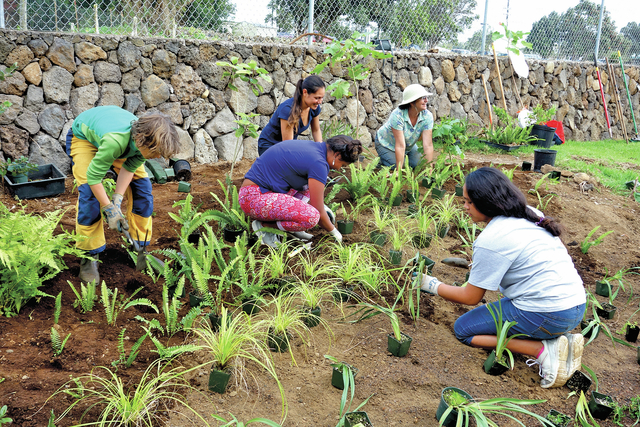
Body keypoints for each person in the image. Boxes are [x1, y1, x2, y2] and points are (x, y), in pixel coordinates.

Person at [417, 167, 586, 389]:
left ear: (486, 202)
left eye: (469, 202)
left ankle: (543, 349)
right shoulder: (529, 212)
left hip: (547, 314)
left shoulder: (492, 239)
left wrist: (430, 284)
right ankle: (557, 338)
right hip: (575, 306)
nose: (464, 207)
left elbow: (470, 297)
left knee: (464, 330)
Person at [66, 105, 180, 284]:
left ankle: (139, 247)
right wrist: (109, 208)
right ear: (141, 140)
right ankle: (89, 256)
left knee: (142, 187)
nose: (156, 157)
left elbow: (129, 168)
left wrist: (117, 200)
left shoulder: (143, 145)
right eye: (156, 153)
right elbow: (94, 177)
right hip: (84, 138)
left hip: (119, 140)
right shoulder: (116, 142)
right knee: (89, 193)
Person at [239, 135, 362, 247]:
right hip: (253, 198)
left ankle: (292, 229)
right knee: (311, 217)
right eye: (343, 165)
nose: (340, 168)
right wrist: (334, 232)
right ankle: (264, 226)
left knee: (311, 187)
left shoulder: (315, 149)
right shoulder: (319, 163)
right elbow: (317, 210)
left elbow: (315, 195)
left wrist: (321, 207)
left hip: (262, 192)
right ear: (337, 156)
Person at [258, 76, 325, 156]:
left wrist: (322, 152)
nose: (320, 102)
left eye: (322, 98)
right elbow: (288, 147)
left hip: (287, 146)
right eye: (317, 98)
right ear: (305, 92)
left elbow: (316, 130)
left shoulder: (313, 108)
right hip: (270, 147)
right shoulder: (287, 110)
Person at [375, 83, 434, 170]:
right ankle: (383, 161)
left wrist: (429, 171)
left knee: (417, 164)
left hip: (406, 143)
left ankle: (399, 157)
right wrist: (398, 172)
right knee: (396, 166)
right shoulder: (398, 115)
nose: (426, 100)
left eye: (426, 97)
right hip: (385, 143)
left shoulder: (427, 116)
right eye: (422, 98)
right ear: (412, 102)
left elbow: (428, 145)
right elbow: (400, 145)